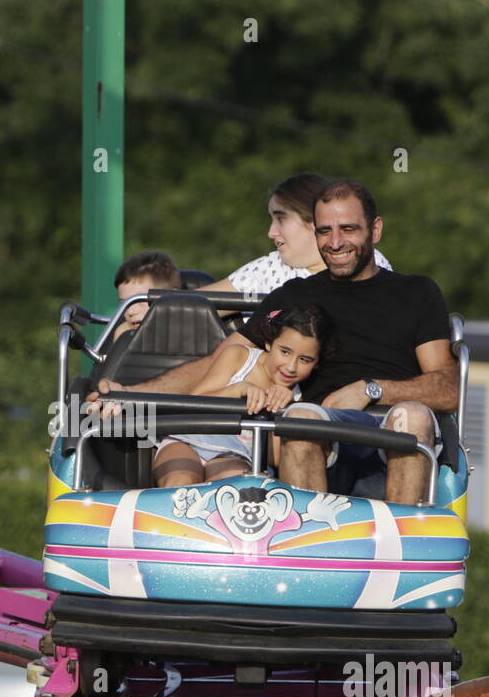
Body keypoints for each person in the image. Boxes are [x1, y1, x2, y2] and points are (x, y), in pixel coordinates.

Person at [97, 178, 458, 505]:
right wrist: (129, 394)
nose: (335, 242)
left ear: (375, 230)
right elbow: (217, 363)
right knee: (299, 417)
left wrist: (371, 390)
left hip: (387, 426)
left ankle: (400, 549)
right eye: (325, 231)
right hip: (321, 431)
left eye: (348, 229)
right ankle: (310, 552)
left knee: (411, 415)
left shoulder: (416, 292)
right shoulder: (294, 295)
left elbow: (448, 387)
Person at [153, 304, 329, 488]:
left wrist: (280, 409)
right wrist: (237, 390)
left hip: (236, 455)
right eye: (285, 352)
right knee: (180, 482)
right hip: (189, 440)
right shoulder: (239, 356)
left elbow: (277, 459)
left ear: (316, 363)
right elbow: (197, 401)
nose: (291, 367)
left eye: (304, 360)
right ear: (269, 343)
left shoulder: (296, 398)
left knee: (232, 489)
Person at [197, 172, 392, 295]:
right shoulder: (268, 269)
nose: (271, 233)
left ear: (316, 221)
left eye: (281, 219)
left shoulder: (369, 262)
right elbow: (188, 305)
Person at [112, 250, 182, 336]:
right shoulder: (123, 334)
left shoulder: (190, 331)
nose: (130, 312)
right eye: (124, 303)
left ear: (172, 298)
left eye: (139, 300)